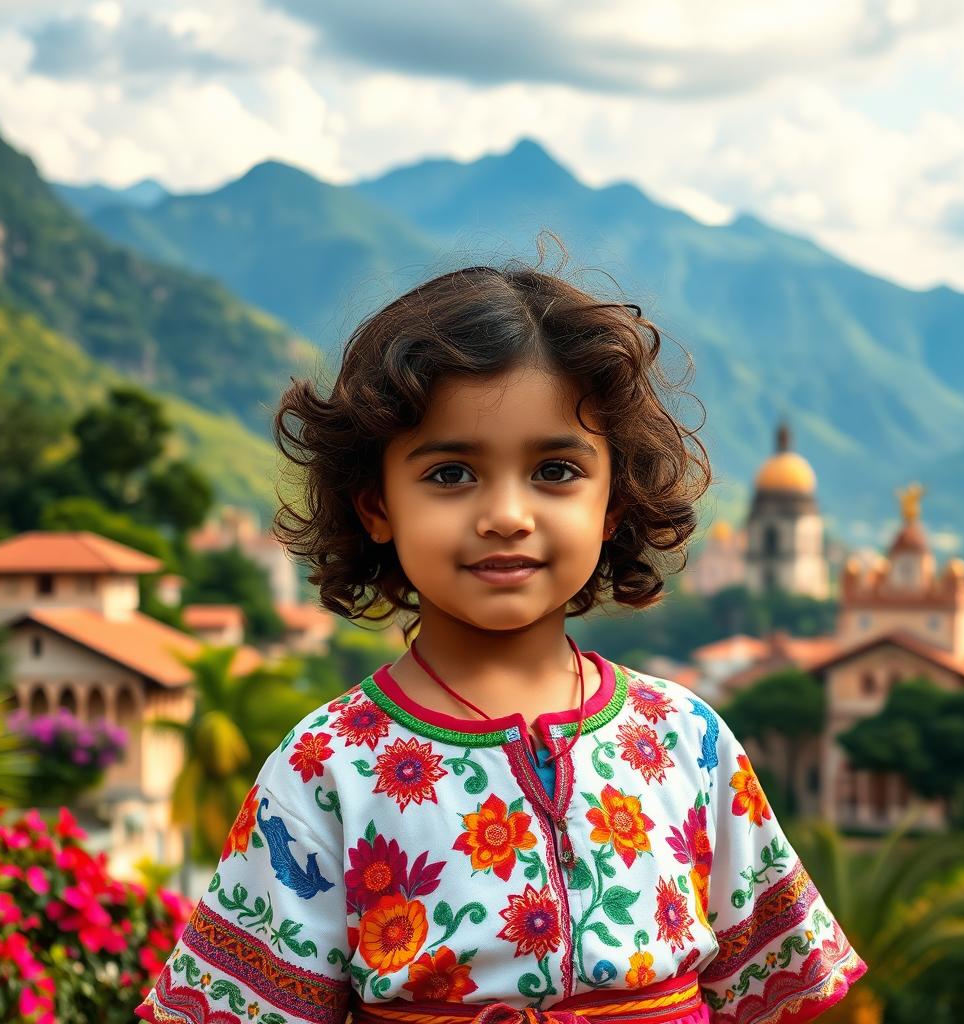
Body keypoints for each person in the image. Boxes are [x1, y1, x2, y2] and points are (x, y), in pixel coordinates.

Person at [136, 253, 867, 1024]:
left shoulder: (689, 740)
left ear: (612, 504)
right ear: (376, 506)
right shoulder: (326, 766)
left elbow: (775, 991)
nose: (507, 515)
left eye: (555, 469)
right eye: (451, 474)